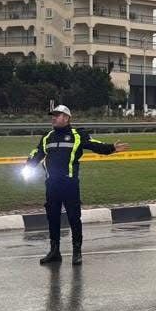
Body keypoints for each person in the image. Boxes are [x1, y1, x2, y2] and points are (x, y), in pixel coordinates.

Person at [25, 105, 126, 265]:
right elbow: (37, 153)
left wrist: (111, 148)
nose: (53, 118)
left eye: (57, 115)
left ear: (66, 118)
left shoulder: (77, 135)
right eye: (53, 115)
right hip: (52, 185)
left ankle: (77, 251)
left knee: (74, 218)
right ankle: (54, 251)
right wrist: (28, 165)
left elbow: (94, 145)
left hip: (70, 184)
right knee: (53, 218)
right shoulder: (47, 137)